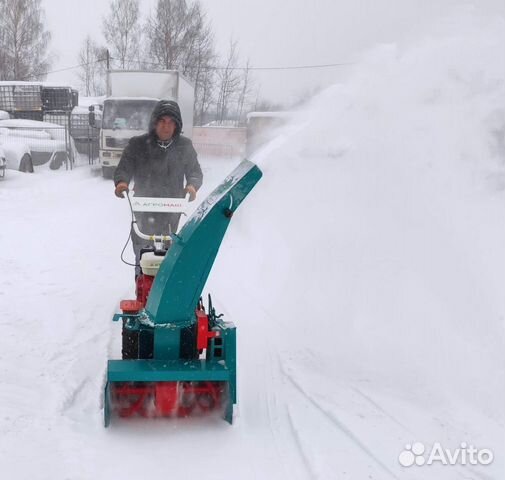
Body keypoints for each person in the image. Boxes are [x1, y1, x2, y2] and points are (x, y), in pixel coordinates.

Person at [113, 99, 203, 276]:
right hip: (144, 208)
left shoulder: (184, 146)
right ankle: (141, 284)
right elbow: (124, 168)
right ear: (154, 123)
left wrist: (192, 186)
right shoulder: (138, 144)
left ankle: (162, 288)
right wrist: (122, 182)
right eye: (162, 121)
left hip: (171, 209)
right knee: (143, 251)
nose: (166, 127)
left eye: (171, 122)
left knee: (167, 254)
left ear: (177, 126)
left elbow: (195, 172)